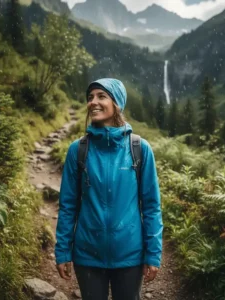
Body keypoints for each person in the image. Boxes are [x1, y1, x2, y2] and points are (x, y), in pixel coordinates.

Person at [55, 78, 163, 300]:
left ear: (117, 104)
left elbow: (151, 206)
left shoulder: (139, 149)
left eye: (101, 96)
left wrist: (153, 253)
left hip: (130, 255)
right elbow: (68, 206)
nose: (93, 102)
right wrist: (63, 251)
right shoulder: (78, 150)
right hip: (87, 256)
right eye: (90, 97)